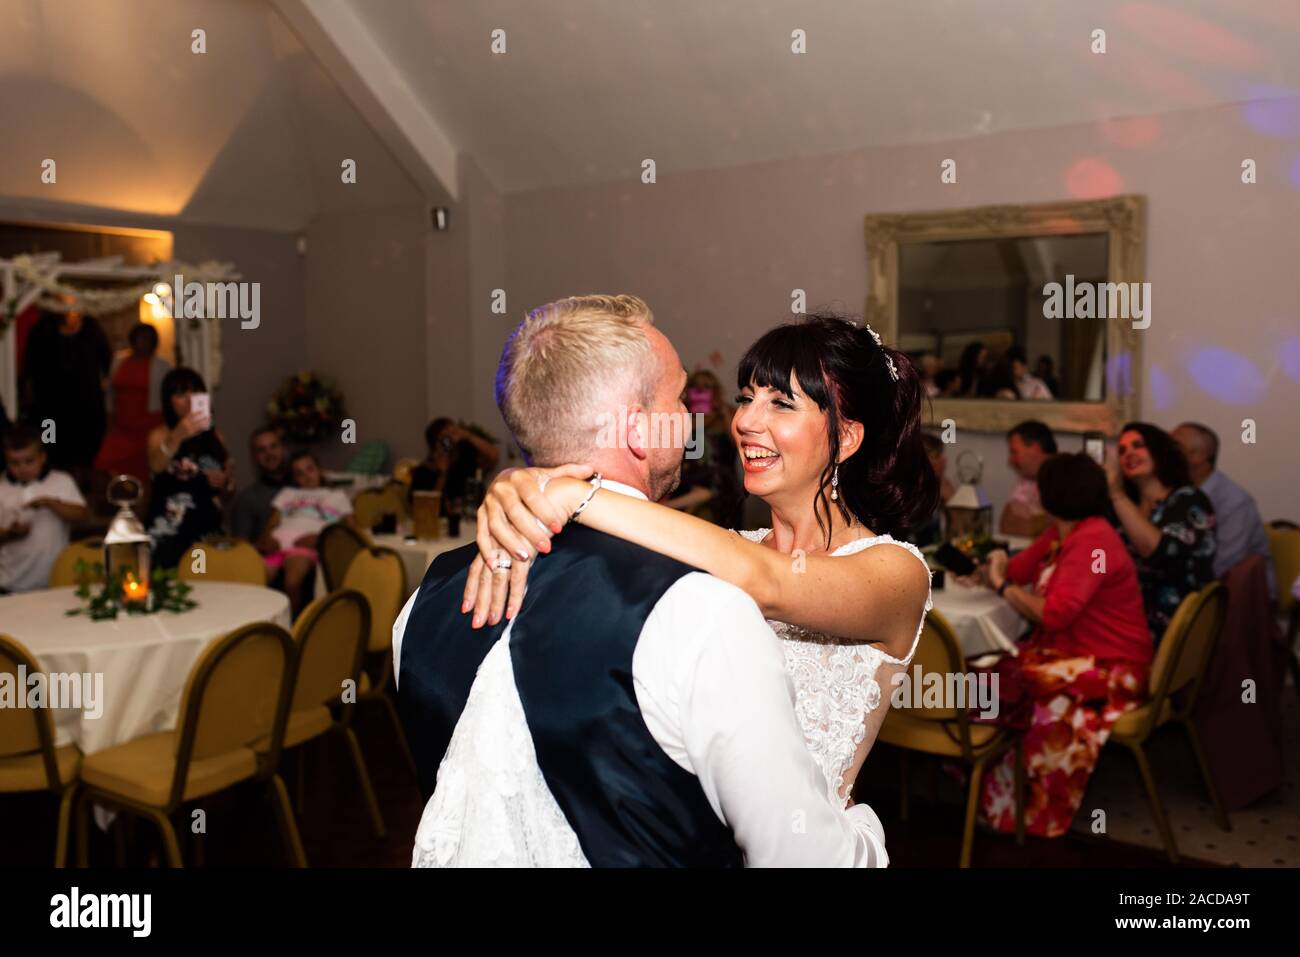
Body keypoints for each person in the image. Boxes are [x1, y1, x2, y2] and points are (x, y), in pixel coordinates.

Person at [395, 295, 893, 867]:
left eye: (781, 403)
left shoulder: (422, 602)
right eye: (681, 398)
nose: (730, 421)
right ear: (639, 430)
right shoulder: (703, 610)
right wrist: (863, 829)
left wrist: (545, 484)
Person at [974, 453, 1152, 837]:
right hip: (1076, 653)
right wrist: (997, 566)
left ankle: (1020, 804)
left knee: (1000, 681)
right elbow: (1022, 569)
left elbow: (1055, 614)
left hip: (1112, 665)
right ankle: (989, 776)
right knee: (988, 676)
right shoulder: (1065, 530)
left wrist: (1003, 586)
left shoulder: (1094, 542)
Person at [1105, 421, 1216, 642]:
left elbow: (1160, 554)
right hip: (1124, 616)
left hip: (1169, 627)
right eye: (1122, 450)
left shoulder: (1188, 500)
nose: (1129, 453)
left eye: (1138, 445)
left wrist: (1116, 495)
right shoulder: (1129, 507)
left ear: (1160, 451)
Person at [1171, 422, 1274, 597]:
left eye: (1175, 446)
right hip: (1197, 586)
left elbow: (1225, 564)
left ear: (1199, 456)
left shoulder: (1234, 501)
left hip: (1238, 596)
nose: (1165, 452)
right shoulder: (1179, 493)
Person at [145, 368, 232, 569]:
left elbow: (228, 493)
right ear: (169, 400)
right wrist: (178, 435)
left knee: (208, 589)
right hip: (169, 528)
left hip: (206, 527)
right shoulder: (159, 435)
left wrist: (225, 482)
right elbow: (156, 466)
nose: (189, 399)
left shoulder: (216, 437)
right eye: (181, 394)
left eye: (195, 392)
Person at [19, 306, 112, 477]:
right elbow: (30, 367)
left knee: (84, 448)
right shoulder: (43, 329)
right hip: (49, 408)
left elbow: (105, 362)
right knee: (50, 444)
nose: (71, 313)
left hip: (85, 407)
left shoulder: (92, 329)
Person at [258, 450, 353, 617]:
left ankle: (290, 627)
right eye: (300, 473)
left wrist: (322, 539)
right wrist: (267, 538)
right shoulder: (288, 493)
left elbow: (351, 530)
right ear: (295, 478)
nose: (307, 476)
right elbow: (272, 522)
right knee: (255, 580)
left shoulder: (336, 496)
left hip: (304, 548)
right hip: (277, 545)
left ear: (319, 470)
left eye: (310, 469)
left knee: (292, 581)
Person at [0, 424, 90, 593]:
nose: (22, 468)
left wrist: (51, 504)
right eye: (14, 463)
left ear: (43, 457)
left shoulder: (61, 481)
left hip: (55, 580)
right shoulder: (1, 487)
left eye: (29, 461)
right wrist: (9, 534)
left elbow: (82, 514)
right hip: (10, 582)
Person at [661, 368, 744, 528]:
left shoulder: (728, 415)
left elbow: (740, 444)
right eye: (695, 386)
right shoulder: (683, 417)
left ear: (715, 391)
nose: (700, 390)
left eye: (706, 387)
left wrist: (722, 412)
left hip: (722, 489)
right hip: (688, 487)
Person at [94, 323, 171, 482]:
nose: (142, 343)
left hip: (148, 426)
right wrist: (109, 422)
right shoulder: (118, 360)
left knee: (143, 470)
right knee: (105, 463)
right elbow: (110, 393)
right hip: (121, 426)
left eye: (147, 339)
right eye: (139, 338)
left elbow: (167, 399)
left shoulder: (162, 366)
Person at [409, 418, 500, 513]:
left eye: (450, 437)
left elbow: (493, 456)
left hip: (471, 518)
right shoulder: (423, 471)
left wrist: (466, 435)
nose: (447, 444)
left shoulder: (465, 459)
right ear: (433, 445)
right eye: (442, 440)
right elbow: (426, 508)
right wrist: (442, 474)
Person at [231, 427, 289, 544]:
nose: (269, 453)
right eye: (262, 450)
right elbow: (241, 549)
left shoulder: (303, 487)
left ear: (283, 449)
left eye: (274, 446)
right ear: (254, 457)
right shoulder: (246, 499)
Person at [999, 420, 1057, 537]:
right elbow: (1005, 525)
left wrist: (1031, 524)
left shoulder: (1067, 476)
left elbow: (1055, 529)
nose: (1010, 460)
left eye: (1014, 452)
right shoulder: (1027, 479)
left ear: (1035, 449)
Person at [910, 432, 955, 547]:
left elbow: (956, 533)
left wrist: (951, 500)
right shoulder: (905, 492)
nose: (944, 460)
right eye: (937, 456)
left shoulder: (939, 485)